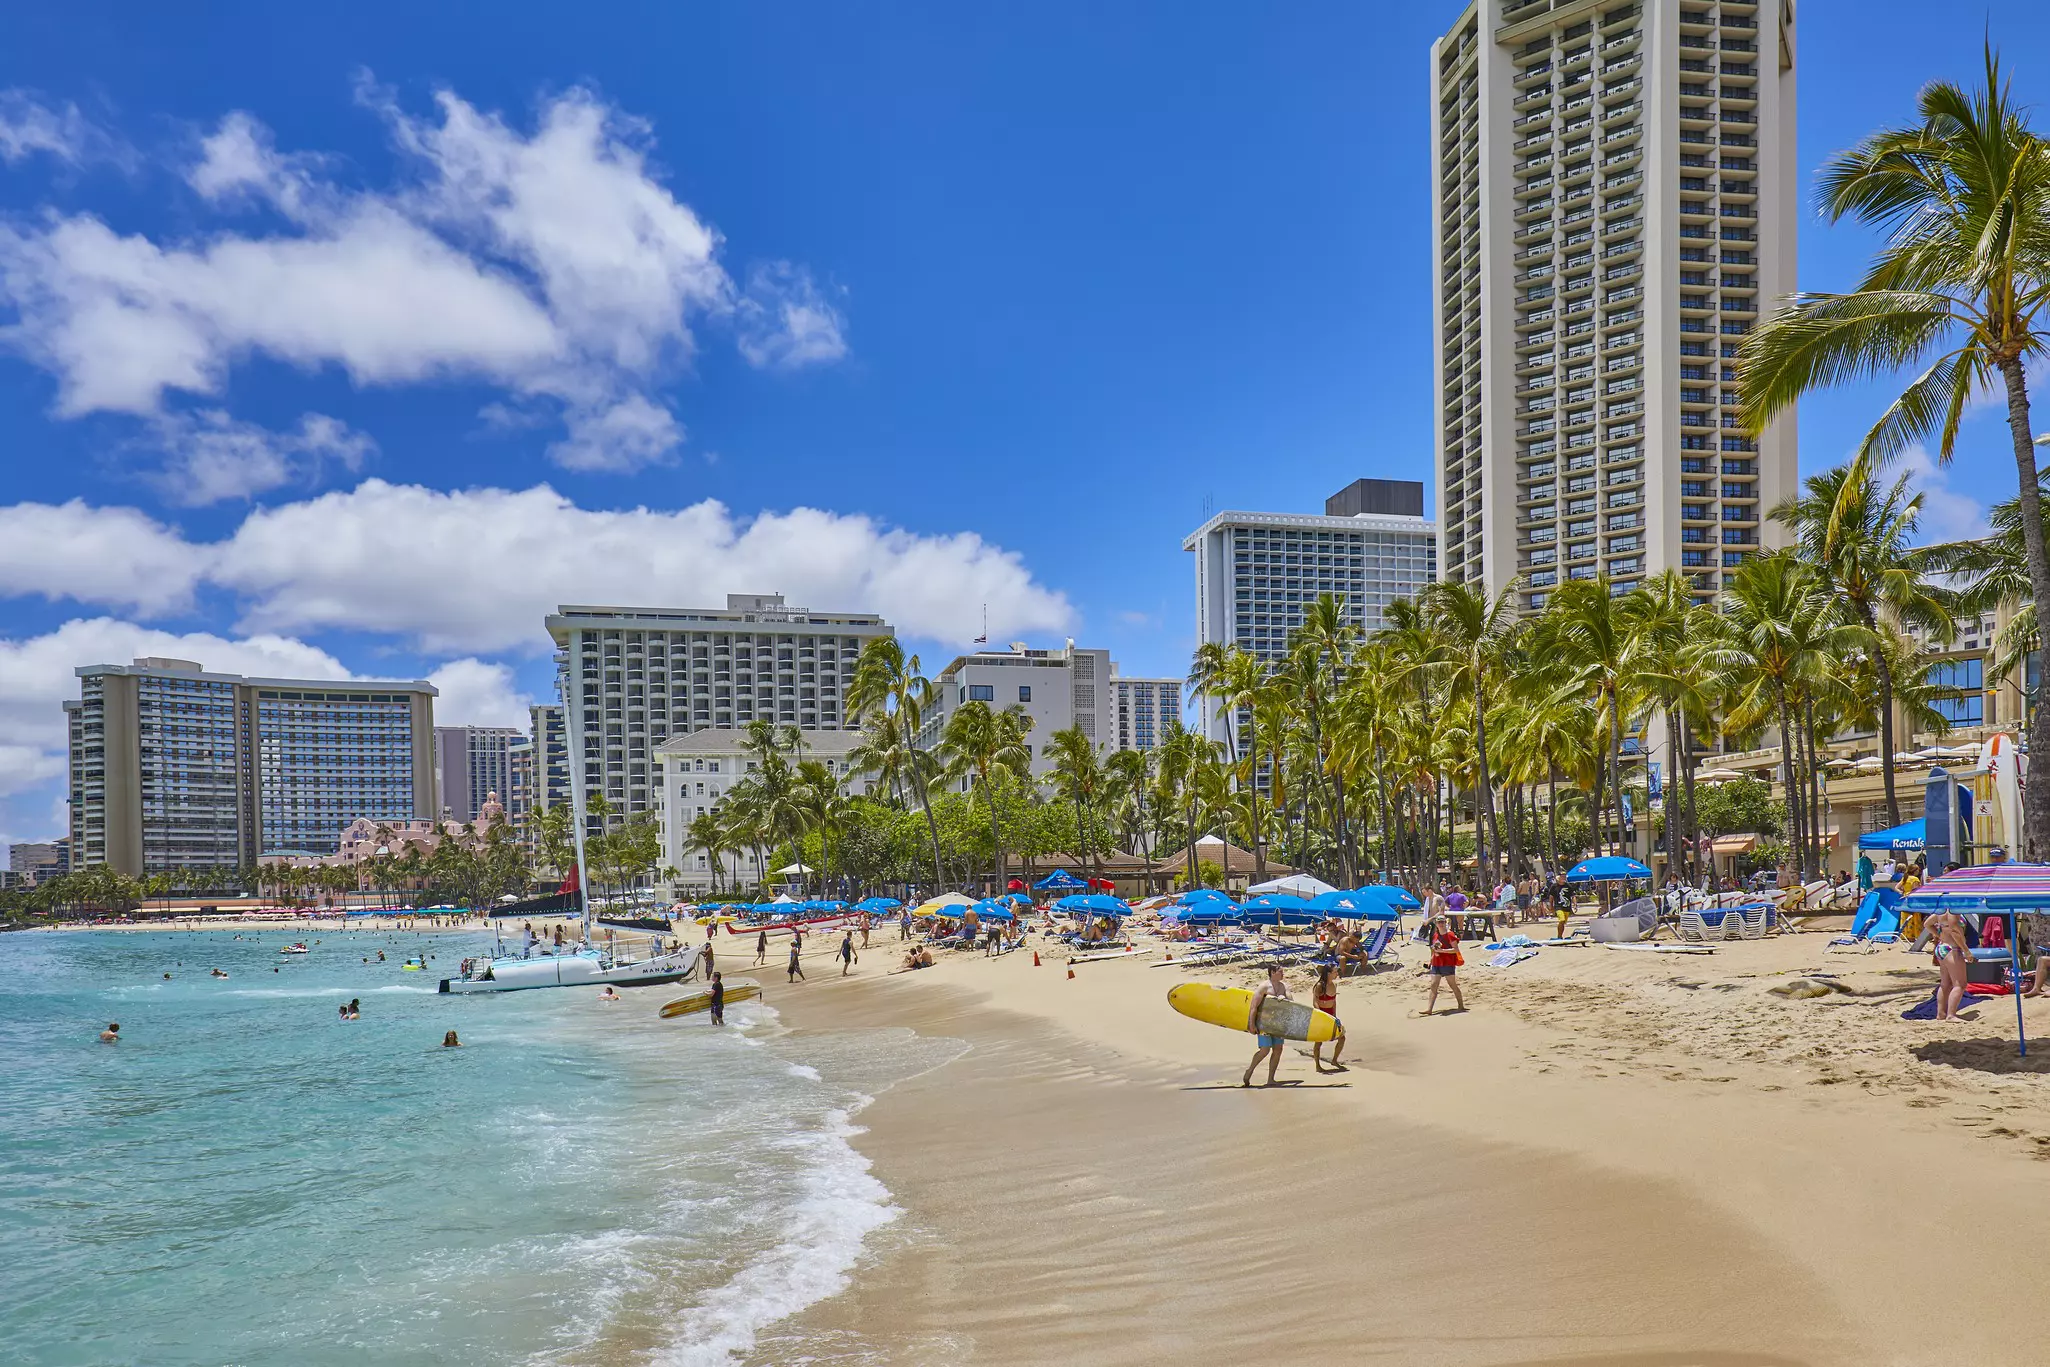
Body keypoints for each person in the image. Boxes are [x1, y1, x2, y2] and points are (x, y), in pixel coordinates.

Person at [1241, 964, 1293, 1087]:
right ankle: (1250, 1070)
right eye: (1281, 972)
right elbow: (1254, 1007)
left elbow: (1291, 1003)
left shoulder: (1283, 986)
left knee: (1278, 1050)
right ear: (1273, 972)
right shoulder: (1263, 987)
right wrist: (1251, 1024)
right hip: (1264, 1024)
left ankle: (1271, 1079)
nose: (1283, 974)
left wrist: (1284, 998)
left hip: (1278, 1024)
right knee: (1264, 1050)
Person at [1928, 908, 1971, 1022]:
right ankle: (1951, 1015)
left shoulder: (1941, 911)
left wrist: (1938, 934)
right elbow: (1955, 931)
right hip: (1952, 949)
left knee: (1945, 984)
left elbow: (1927, 924)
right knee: (1960, 984)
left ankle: (1941, 1014)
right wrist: (1966, 950)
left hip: (1942, 947)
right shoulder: (1953, 911)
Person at [1422, 913, 1466, 1016]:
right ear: (1436, 924)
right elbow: (1434, 949)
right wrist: (1430, 960)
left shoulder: (1450, 934)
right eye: (1439, 922)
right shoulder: (1435, 935)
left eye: (1442, 922)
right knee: (1433, 985)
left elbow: (1455, 950)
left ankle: (1461, 1005)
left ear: (1445, 923)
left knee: (1453, 985)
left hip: (1448, 963)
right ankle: (1429, 1009)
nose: (1441, 924)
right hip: (1436, 963)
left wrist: (1442, 951)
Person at [1311, 964, 1346, 1073]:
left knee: (1342, 1038)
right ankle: (1317, 1065)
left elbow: (1334, 1002)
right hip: (1321, 1015)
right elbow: (1315, 1002)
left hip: (1331, 1014)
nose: (1337, 974)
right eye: (1335, 972)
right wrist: (1321, 1016)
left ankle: (1334, 1060)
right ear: (1328, 973)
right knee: (1318, 1042)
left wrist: (1334, 1016)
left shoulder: (1334, 985)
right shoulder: (1320, 986)